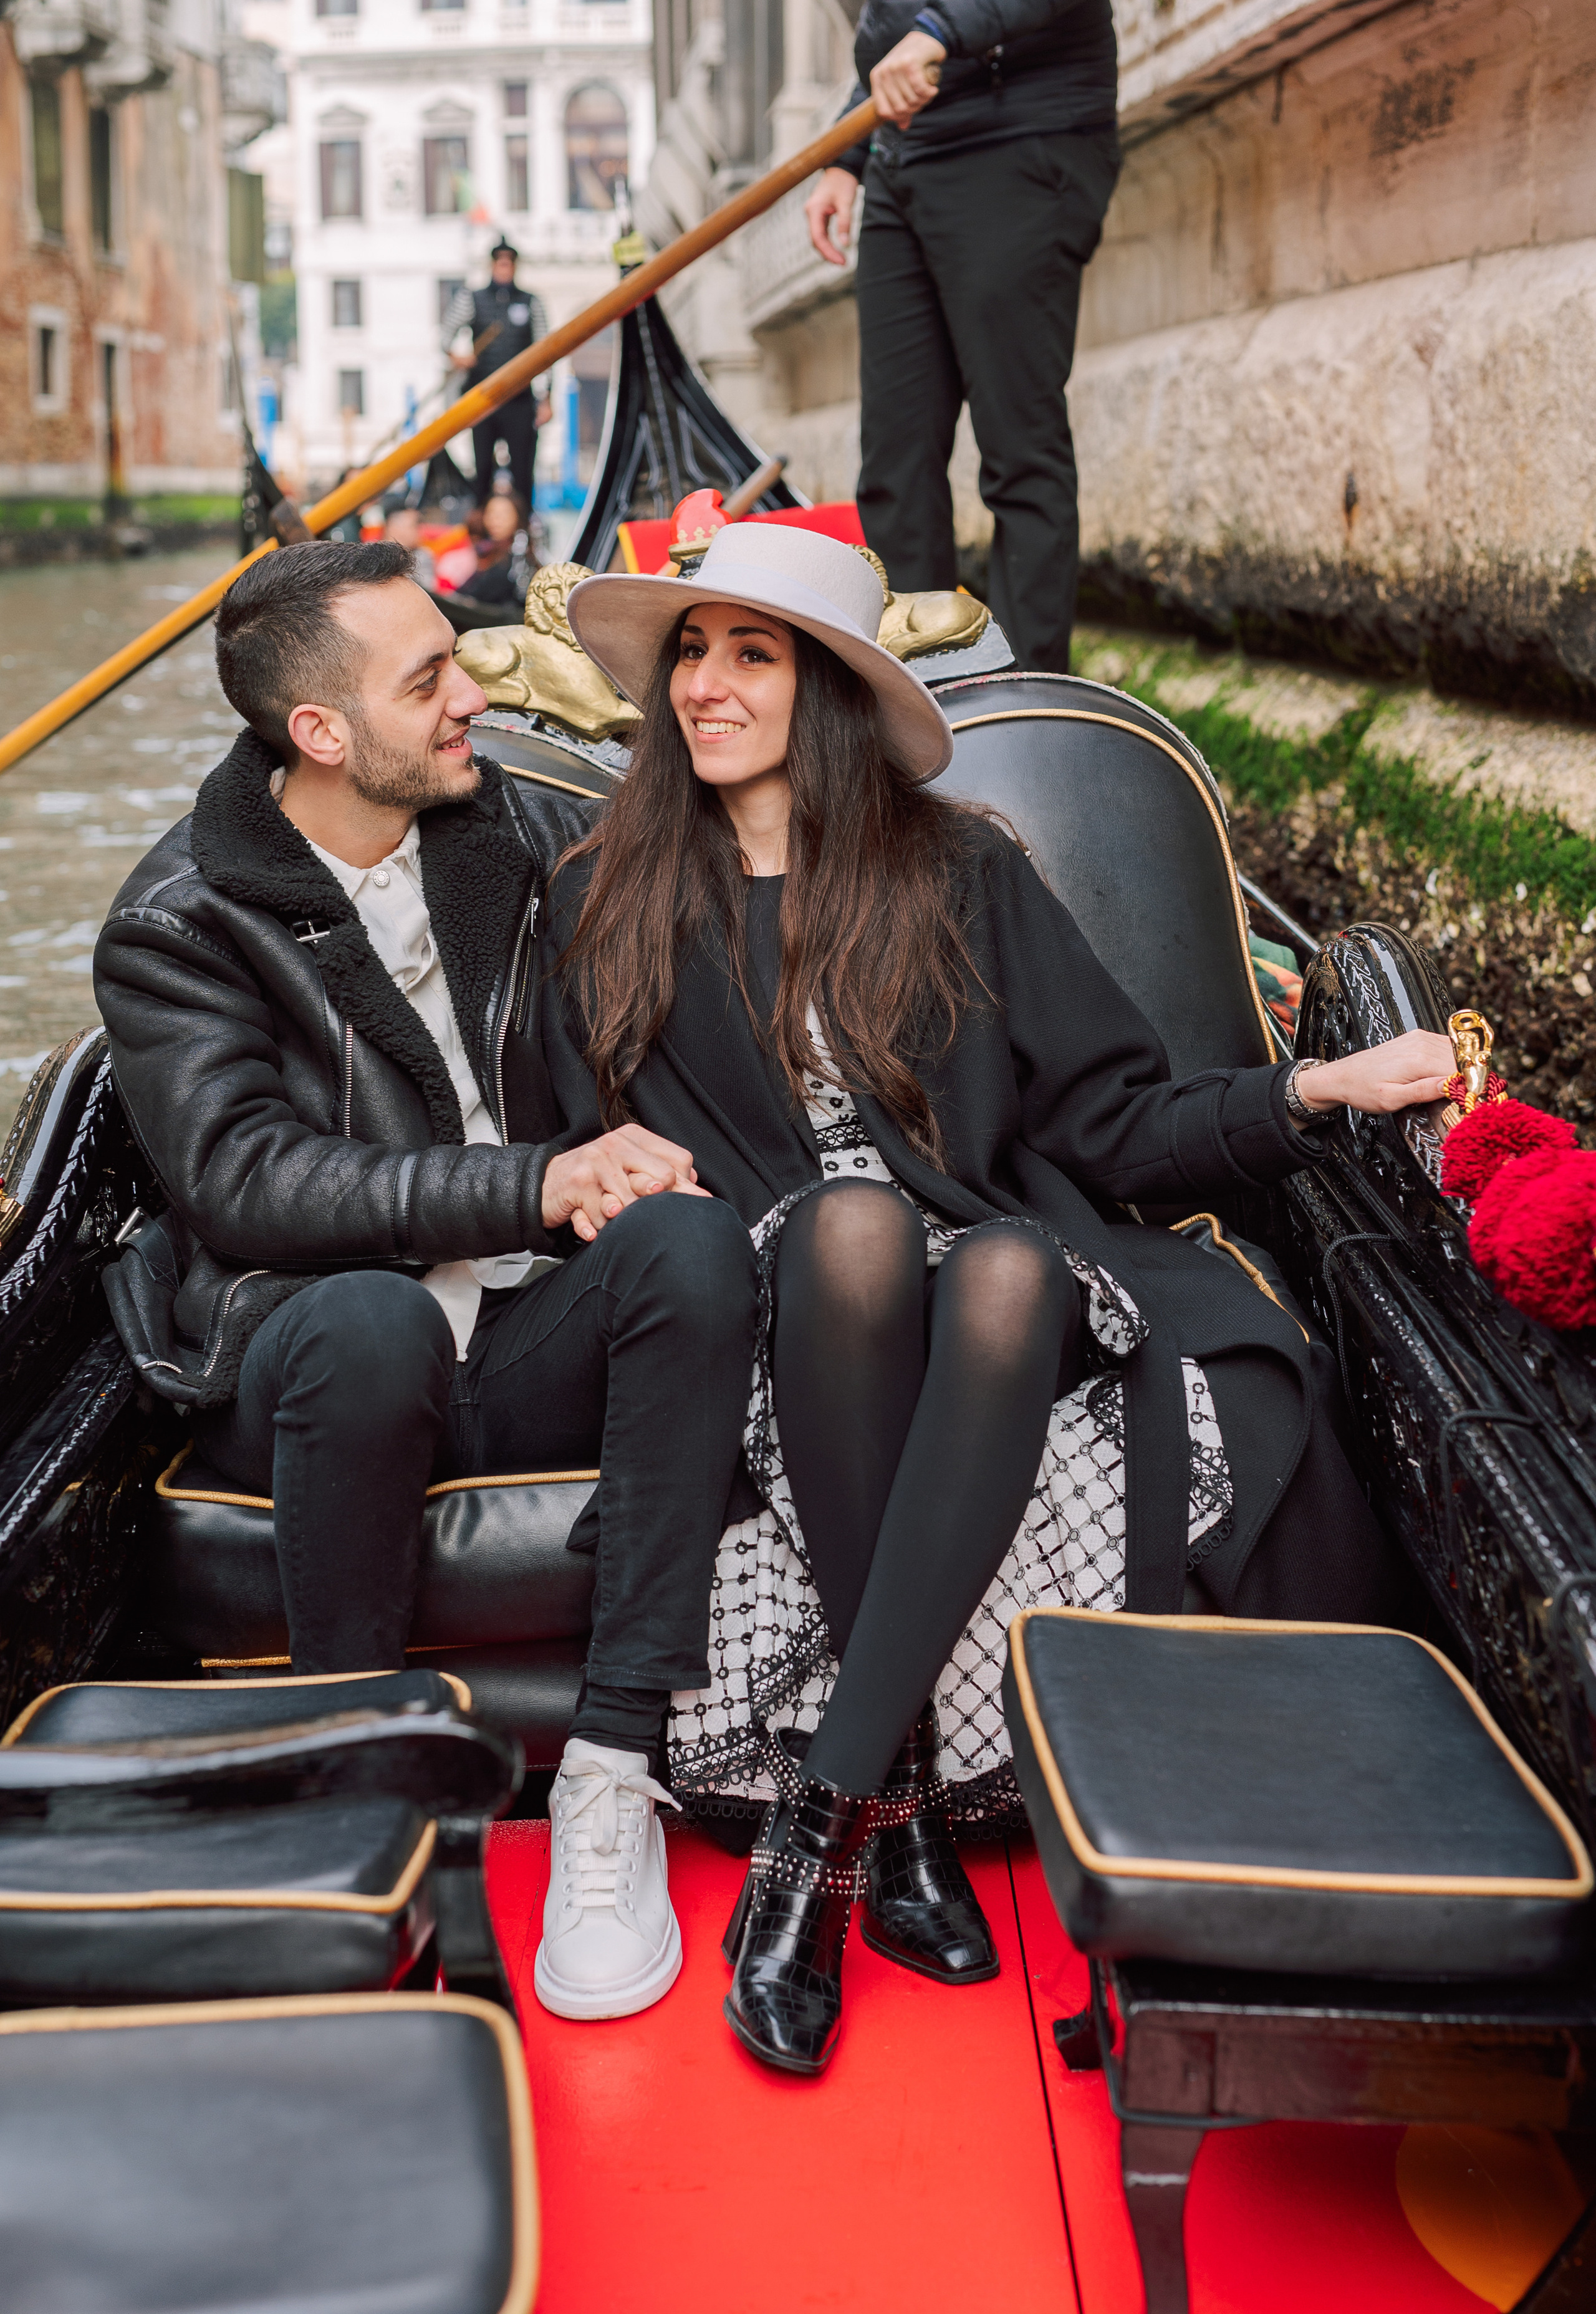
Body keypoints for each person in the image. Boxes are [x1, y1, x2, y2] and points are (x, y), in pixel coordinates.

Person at [542, 522, 1456, 2075]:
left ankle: (830, 1826)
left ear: (828, 692)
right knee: (849, 1230)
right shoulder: (604, 891)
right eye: (689, 652)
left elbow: (1110, 1122)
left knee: (1010, 1258)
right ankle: (887, 1815)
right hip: (762, 1306)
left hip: (985, 1285)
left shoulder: (957, 868)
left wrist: (1307, 1087)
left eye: (749, 654)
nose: (702, 684)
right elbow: (589, 1159)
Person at [92, 540, 761, 2025]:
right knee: (373, 1315)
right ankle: (358, 1775)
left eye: (459, 657)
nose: (478, 695)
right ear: (320, 732)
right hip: (318, 1353)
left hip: (521, 1327)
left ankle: (610, 1768)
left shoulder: (505, 828)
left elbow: (689, 907)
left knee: (691, 1239)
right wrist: (536, 1180)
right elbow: (247, 1182)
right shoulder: (178, 922)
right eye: (431, 679)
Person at [804, 0, 1120, 675]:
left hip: (1017, 140)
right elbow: (899, 24)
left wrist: (942, 32)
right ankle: (916, 692)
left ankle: (1028, 703)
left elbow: (928, 24)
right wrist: (848, 155)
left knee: (1018, 451)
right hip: (900, 159)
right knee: (895, 464)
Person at [441, 240, 552, 511]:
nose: (505, 268)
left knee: (523, 469)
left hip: (519, 399)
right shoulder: (473, 299)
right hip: (484, 399)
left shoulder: (531, 302)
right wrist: (458, 357)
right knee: (482, 468)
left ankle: (524, 520)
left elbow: (545, 352)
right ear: (492, 266)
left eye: (509, 263)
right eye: (501, 263)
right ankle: (481, 520)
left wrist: (546, 398)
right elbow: (445, 334)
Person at [384, 503, 437, 592]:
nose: (420, 532)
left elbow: (427, 591)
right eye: (415, 526)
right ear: (394, 528)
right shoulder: (373, 553)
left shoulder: (422, 556)